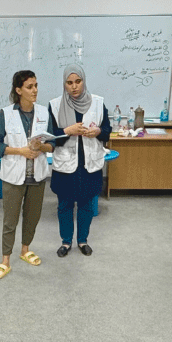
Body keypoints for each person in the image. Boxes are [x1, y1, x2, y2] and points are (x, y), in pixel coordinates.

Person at [0, 70, 61, 280]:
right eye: (30, 87)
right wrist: (20, 151)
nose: (35, 90)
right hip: (13, 175)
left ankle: (25, 249)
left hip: (37, 175)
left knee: (32, 217)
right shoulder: (6, 114)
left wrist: (42, 147)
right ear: (18, 90)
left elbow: (53, 144)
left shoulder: (44, 113)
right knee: (10, 220)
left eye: (36, 85)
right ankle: (5, 259)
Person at [48, 65, 111, 256]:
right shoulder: (55, 105)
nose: (74, 86)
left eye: (78, 81)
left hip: (89, 165)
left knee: (85, 205)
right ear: (64, 84)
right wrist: (68, 131)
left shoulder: (98, 103)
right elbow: (50, 136)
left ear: (83, 81)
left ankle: (82, 240)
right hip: (65, 166)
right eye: (69, 83)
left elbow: (107, 131)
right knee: (65, 205)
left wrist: (98, 131)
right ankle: (66, 242)